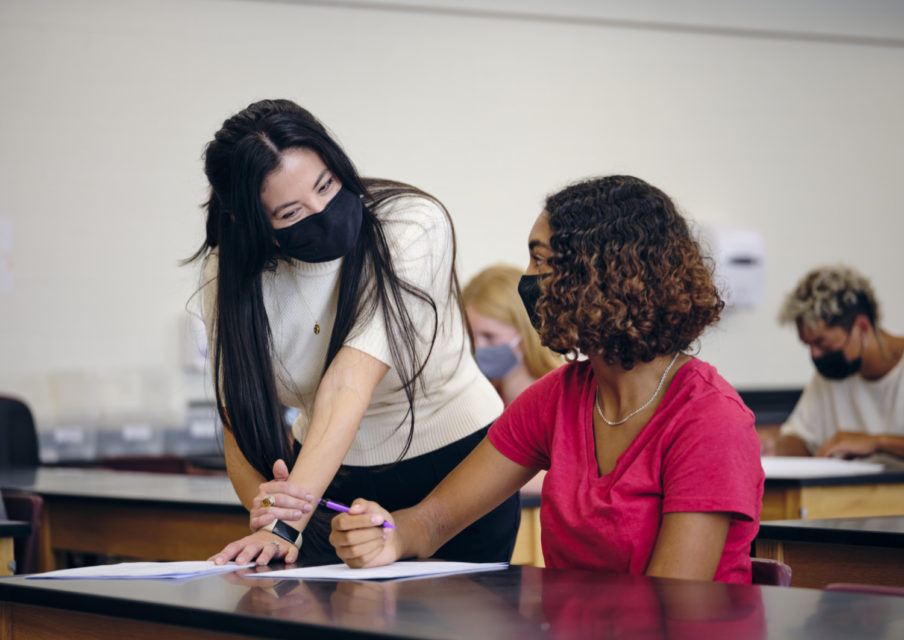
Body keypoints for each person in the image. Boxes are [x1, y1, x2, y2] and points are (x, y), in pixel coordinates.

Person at [329, 175, 764, 583]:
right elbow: (433, 521)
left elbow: (673, 601)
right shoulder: (558, 398)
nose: (529, 278)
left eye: (541, 259)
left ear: (602, 276)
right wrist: (386, 533)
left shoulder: (709, 419)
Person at [193, 99, 520, 566]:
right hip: (327, 481)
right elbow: (239, 418)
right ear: (252, 224)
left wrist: (288, 522)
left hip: (455, 464)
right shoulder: (228, 274)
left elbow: (349, 382)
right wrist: (270, 515)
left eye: (325, 185)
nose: (322, 210)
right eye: (290, 213)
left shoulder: (410, 225)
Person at [774, 265, 904, 462]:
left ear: (861, 326)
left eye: (821, 343)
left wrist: (877, 442)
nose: (815, 355)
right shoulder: (831, 377)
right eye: (808, 345)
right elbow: (795, 436)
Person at [462, 264, 562, 406]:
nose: (478, 347)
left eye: (489, 336)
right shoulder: (480, 402)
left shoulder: (560, 402)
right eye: (470, 337)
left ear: (527, 332)